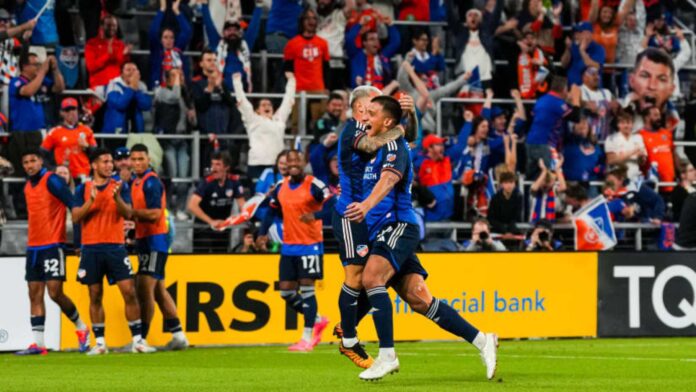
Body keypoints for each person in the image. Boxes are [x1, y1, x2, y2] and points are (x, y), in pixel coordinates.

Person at [345, 96, 498, 381]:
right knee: (419, 300)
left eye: (371, 114)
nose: (365, 118)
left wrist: (365, 207)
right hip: (381, 231)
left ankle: (387, 355)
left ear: (387, 122)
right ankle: (482, 340)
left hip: (399, 226)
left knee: (372, 278)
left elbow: (388, 180)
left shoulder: (395, 146)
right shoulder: (372, 147)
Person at [331, 86, 412, 369]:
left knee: (377, 276)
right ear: (356, 110)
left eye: (376, 110)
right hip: (349, 214)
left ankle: (348, 326)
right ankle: (349, 339)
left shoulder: (376, 130)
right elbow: (373, 144)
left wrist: (408, 116)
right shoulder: (353, 132)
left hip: (368, 217)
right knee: (355, 275)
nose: (371, 113)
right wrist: (398, 126)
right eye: (367, 108)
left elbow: (404, 144)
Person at [72, 148, 154, 355]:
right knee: (95, 295)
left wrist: (117, 197)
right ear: (94, 165)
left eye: (111, 162)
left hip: (115, 247)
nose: (110, 165)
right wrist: (91, 201)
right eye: (105, 161)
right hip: (90, 248)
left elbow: (128, 213)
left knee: (129, 291)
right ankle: (100, 343)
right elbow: (75, 217)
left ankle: (137, 341)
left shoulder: (120, 186)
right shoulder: (83, 188)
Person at [15, 150, 89, 355]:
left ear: (41, 162)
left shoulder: (53, 180)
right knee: (34, 294)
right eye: (26, 162)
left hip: (53, 245)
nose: (29, 165)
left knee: (55, 293)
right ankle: (39, 344)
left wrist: (78, 241)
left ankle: (82, 328)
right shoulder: (28, 186)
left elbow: (74, 205)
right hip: (33, 247)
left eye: (33, 160)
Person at [116, 144, 188, 350]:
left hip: (155, 241)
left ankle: (141, 339)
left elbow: (156, 214)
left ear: (149, 160)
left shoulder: (151, 182)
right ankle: (179, 336)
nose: (137, 163)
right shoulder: (136, 182)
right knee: (158, 291)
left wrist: (132, 214)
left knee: (144, 290)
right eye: (134, 159)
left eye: (141, 159)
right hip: (146, 240)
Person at [258, 150, 331, 352]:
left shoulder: (314, 185)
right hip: (288, 246)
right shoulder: (281, 187)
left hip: (310, 245)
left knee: (307, 290)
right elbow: (272, 210)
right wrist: (262, 234)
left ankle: (307, 338)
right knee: (286, 292)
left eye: (296, 160)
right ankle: (317, 319)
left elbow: (333, 205)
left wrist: (316, 215)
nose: (293, 164)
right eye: (289, 161)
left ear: (304, 162)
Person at [232, 71, 295, 181]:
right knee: (258, 196)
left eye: (269, 104)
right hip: (257, 164)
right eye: (263, 105)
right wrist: (237, 82)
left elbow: (288, 101)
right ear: (257, 110)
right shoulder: (253, 119)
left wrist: (291, 81)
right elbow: (243, 102)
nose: (267, 106)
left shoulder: (279, 119)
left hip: (277, 164)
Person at [9, 53, 64, 174]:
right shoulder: (15, 82)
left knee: (39, 168)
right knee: (22, 169)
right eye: (35, 65)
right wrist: (43, 71)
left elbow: (59, 88)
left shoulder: (41, 81)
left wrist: (55, 70)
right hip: (21, 133)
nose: (38, 67)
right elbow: (28, 91)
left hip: (38, 132)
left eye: (39, 65)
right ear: (24, 67)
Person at [154, 68, 194, 220]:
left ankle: (181, 208)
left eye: (181, 75)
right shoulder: (162, 92)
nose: (180, 79)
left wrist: (192, 116)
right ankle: (169, 208)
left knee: (183, 177)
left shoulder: (185, 95)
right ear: (168, 79)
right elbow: (174, 97)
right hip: (169, 140)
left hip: (183, 139)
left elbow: (192, 119)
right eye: (176, 76)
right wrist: (178, 82)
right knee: (172, 176)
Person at [187, 151, 245, 253]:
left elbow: (243, 207)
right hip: (203, 228)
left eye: (218, 164)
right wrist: (211, 222)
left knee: (221, 261)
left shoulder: (234, 182)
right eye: (212, 164)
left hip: (222, 228)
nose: (214, 168)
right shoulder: (206, 183)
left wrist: (232, 221)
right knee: (200, 263)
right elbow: (192, 206)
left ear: (226, 167)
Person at [525, 76, 581, 180]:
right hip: (545, 144)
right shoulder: (557, 103)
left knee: (532, 177)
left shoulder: (541, 100)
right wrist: (576, 98)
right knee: (548, 177)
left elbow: (531, 117)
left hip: (530, 142)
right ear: (564, 89)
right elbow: (576, 117)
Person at [201, 0, 262, 92]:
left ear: (239, 32)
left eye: (235, 30)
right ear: (223, 32)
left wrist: (259, 6)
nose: (232, 32)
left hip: (243, 92)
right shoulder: (217, 44)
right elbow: (209, 25)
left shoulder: (245, 44)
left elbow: (254, 27)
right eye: (229, 30)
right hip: (221, 91)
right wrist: (204, 5)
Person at [41, 98, 97, 182]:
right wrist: (53, 168)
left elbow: (96, 154)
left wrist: (87, 147)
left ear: (78, 111)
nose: (71, 112)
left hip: (83, 175)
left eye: (73, 109)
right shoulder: (55, 132)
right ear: (62, 113)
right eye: (67, 110)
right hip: (62, 176)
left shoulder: (86, 130)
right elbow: (41, 154)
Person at [345, 16, 400, 88]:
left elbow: (395, 42)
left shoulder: (383, 55)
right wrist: (360, 24)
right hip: (361, 93)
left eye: (377, 39)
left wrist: (390, 25)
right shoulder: (356, 55)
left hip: (381, 94)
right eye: (372, 39)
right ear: (364, 42)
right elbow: (349, 39)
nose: (376, 42)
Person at [148, 0, 193, 88]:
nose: (169, 40)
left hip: (179, 88)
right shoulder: (157, 52)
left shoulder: (177, 50)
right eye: (165, 37)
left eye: (171, 37)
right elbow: (153, 32)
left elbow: (187, 31)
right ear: (161, 40)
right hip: (160, 90)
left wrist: (176, 11)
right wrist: (162, 10)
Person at [103, 62, 152, 134]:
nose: (132, 72)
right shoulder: (113, 84)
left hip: (136, 130)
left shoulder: (141, 85)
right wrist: (132, 88)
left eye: (134, 70)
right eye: (128, 70)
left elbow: (146, 105)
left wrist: (136, 90)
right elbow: (120, 105)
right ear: (121, 74)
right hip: (116, 131)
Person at [85, 15, 131, 91]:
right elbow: (91, 67)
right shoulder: (91, 44)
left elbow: (122, 66)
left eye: (114, 25)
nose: (112, 28)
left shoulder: (120, 45)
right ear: (102, 26)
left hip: (117, 86)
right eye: (109, 25)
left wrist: (126, 56)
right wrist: (108, 56)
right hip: (98, 86)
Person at [316, 0, 353, 90]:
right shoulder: (313, 16)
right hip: (317, 65)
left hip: (336, 65)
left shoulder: (339, 15)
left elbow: (351, 5)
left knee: (337, 96)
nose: (322, 1)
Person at [639, 106, 677, 192]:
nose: (659, 118)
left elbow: (673, 153)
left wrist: (680, 172)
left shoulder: (666, 133)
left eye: (659, 115)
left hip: (669, 182)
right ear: (646, 117)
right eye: (655, 115)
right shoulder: (639, 136)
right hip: (650, 182)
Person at [605, 108, 646, 182]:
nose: (626, 126)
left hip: (635, 176)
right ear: (618, 125)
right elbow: (611, 160)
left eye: (629, 123)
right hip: (617, 177)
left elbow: (642, 161)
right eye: (623, 123)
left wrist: (641, 158)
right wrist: (633, 152)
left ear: (632, 124)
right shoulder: (611, 138)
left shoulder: (638, 137)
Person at [561, 22, 606, 87]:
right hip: (572, 88)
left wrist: (582, 51)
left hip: (591, 90)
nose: (576, 36)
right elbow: (563, 64)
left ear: (588, 34)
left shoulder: (598, 48)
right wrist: (567, 49)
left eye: (579, 33)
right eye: (575, 33)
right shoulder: (574, 47)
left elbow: (594, 66)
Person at [580, 66, 616, 142]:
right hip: (587, 140)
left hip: (606, 138)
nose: (597, 77)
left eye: (598, 74)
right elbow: (572, 101)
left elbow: (615, 108)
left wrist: (616, 107)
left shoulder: (607, 92)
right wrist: (586, 104)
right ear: (584, 77)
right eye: (593, 74)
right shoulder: (579, 90)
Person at [488, 170, 523, 235]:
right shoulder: (495, 198)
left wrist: (510, 230)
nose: (509, 185)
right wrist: (503, 228)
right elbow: (491, 218)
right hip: (498, 230)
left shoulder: (518, 198)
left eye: (511, 182)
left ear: (515, 184)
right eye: (506, 182)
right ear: (501, 184)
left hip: (513, 230)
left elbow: (517, 217)